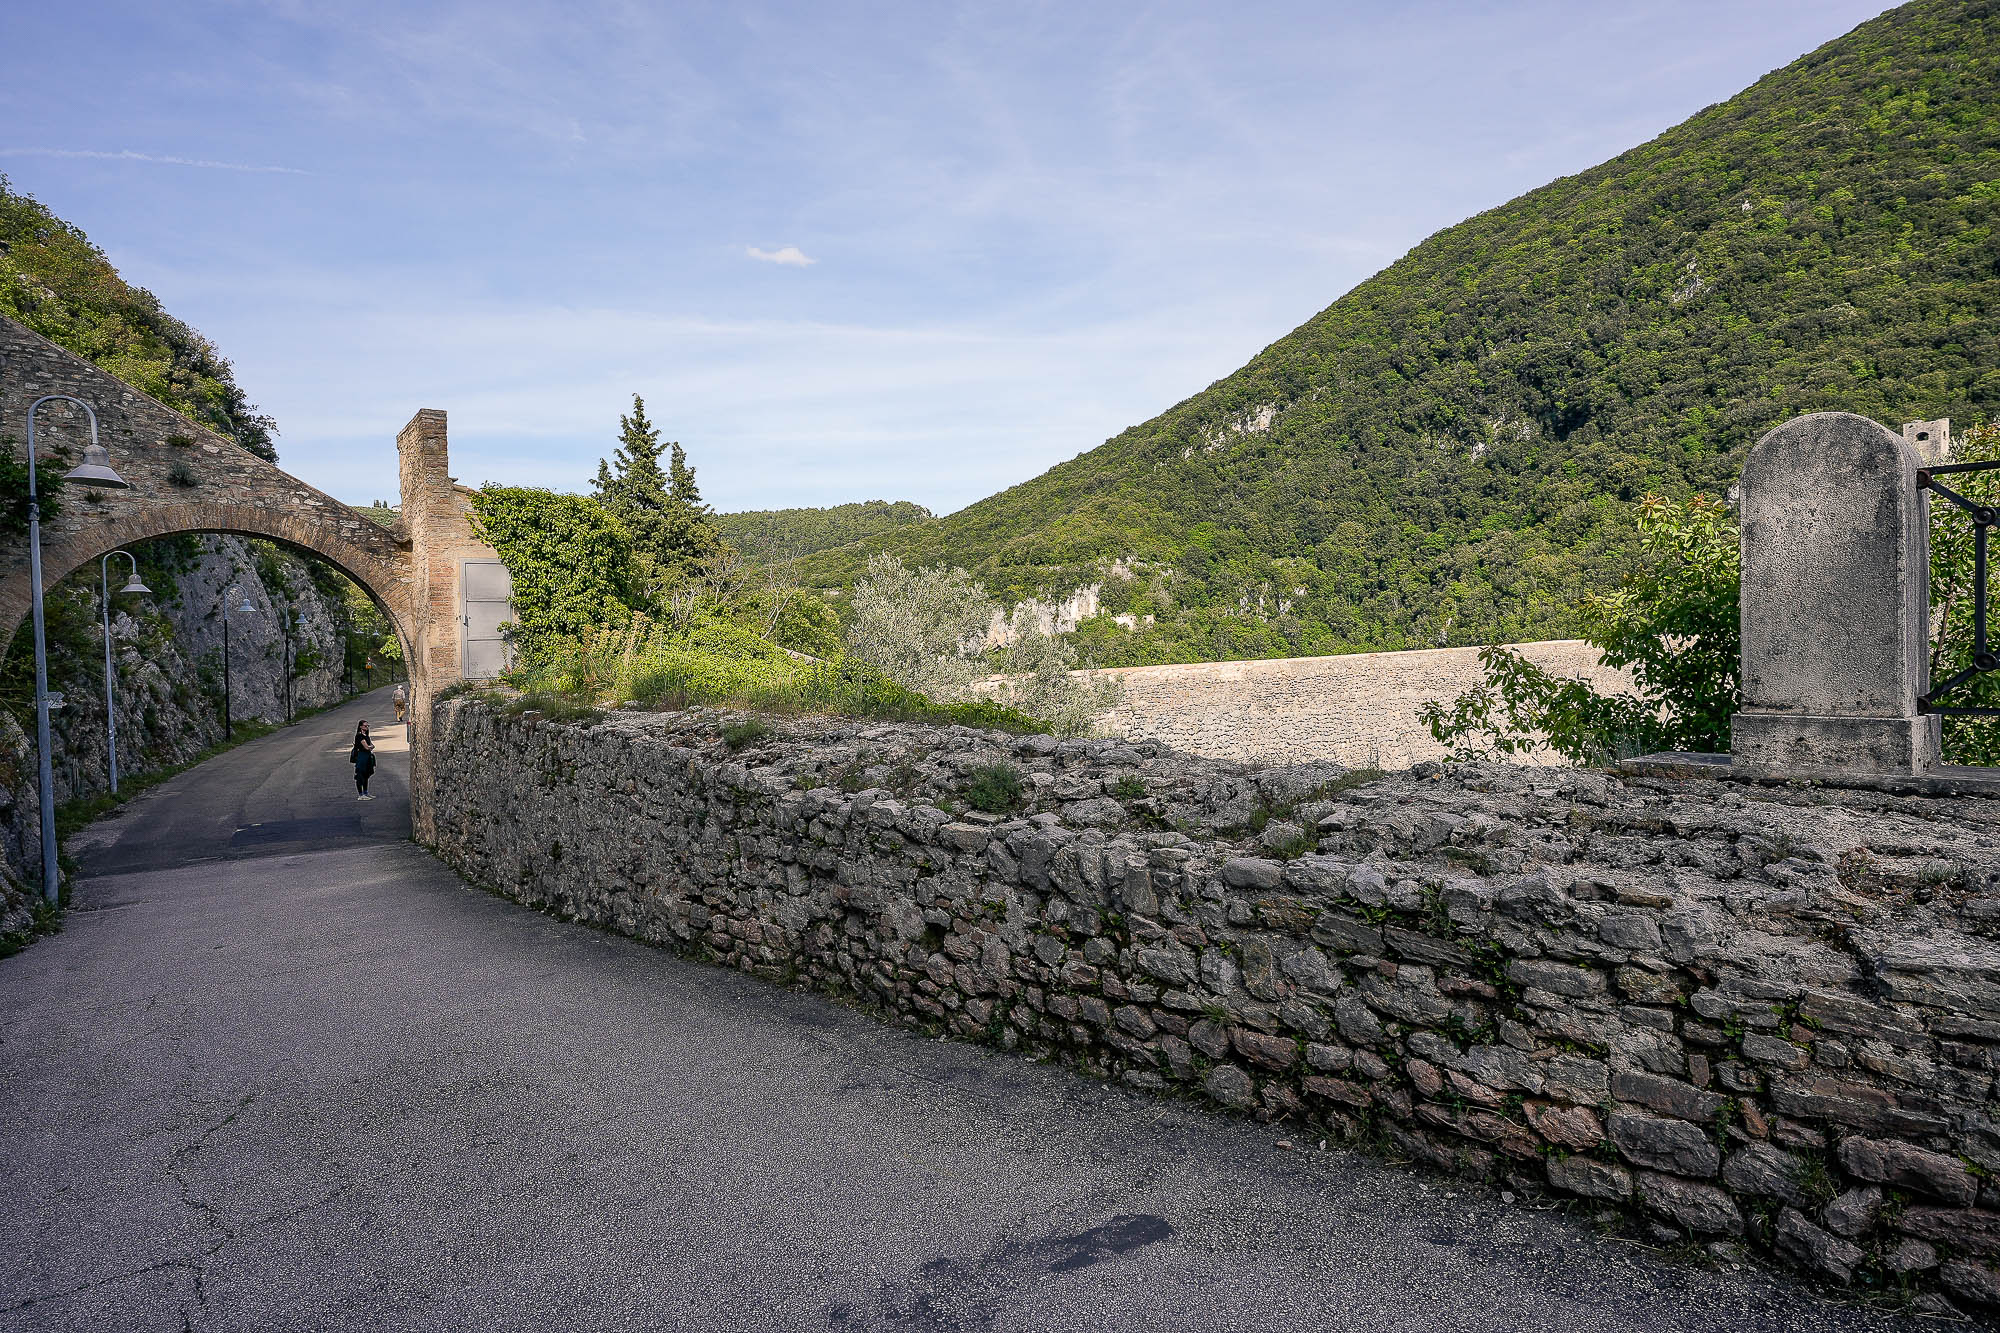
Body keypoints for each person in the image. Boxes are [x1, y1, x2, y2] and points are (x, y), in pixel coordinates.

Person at [351, 719, 376, 800]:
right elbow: (367, 747)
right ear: (361, 726)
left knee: (366, 775)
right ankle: (361, 795)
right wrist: (370, 747)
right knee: (360, 775)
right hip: (361, 757)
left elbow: (371, 745)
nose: (367, 727)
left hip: (367, 756)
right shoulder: (359, 736)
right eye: (365, 726)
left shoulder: (366, 735)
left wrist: (370, 747)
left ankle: (365, 793)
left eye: (368, 726)